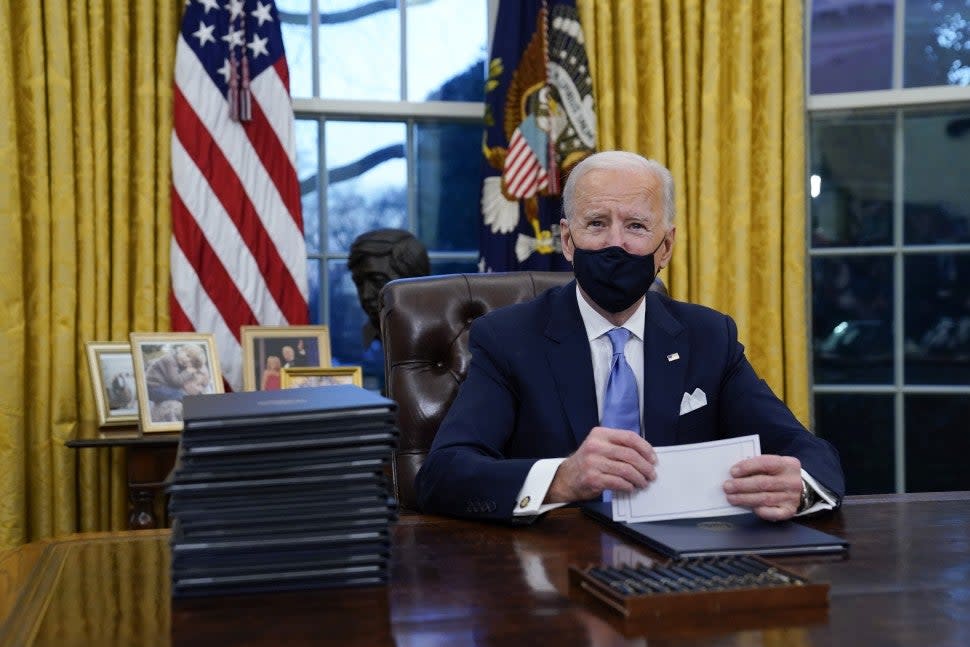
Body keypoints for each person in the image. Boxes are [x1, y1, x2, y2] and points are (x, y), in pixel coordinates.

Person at [415, 151, 845, 523]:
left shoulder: (708, 336)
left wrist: (800, 488)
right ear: (567, 240)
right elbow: (445, 474)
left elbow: (805, 450)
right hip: (555, 568)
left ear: (666, 247)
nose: (614, 244)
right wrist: (561, 479)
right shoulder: (508, 338)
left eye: (637, 226)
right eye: (597, 223)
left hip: (679, 567)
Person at [348, 229, 430, 345]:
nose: (365, 295)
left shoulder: (442, 337)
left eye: (377, 280)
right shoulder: (353, 341)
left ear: (413, 282)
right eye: (359, 283)